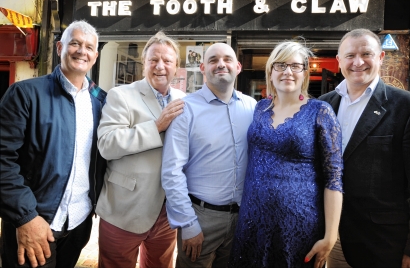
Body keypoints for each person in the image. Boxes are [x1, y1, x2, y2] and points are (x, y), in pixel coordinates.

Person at [319, 28, 410, 268]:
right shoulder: (323, 106)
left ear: (380, 58)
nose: (358, 62)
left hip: (385, 244)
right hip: (334, 240)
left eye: (366, 53)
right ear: (339, 61)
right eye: (350, 55)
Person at [0, 20, 107, 268]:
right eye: (75, 43)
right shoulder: (25, 94)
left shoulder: (100, 102)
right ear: (59, 47)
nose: (82, 51)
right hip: (35, 223)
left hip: (78, 225)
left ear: (95, 56)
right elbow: (3, 160)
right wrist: (25, 217)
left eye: (89, 47)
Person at [229, 41, 344, 268]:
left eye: (295, 66)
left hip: (298, 226)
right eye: (280, 65)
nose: (287, 72)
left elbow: (334, 177)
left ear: (304, 73)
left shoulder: (320, 112)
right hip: (253, 220)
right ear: (270, 72)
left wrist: (331, 236)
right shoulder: (259, 108)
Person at [161, 43, 257, 267]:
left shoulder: (252, 107)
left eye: (227, 59)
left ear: (238, 66)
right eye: (213, 60)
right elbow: (172, 171)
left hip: (241, 218)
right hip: (201, 218)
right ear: (203, 67)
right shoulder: (185, 109)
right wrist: (188, 223)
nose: (221, 64)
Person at [95, 31, 185, 268]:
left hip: (167, 214)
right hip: (124, 209)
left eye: (167, 61)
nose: (160, 66)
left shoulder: (184, 99)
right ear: (143, 63)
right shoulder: (121, 95)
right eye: (153, 60)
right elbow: (107, 144)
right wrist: (156, 127)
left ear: (176, 66)